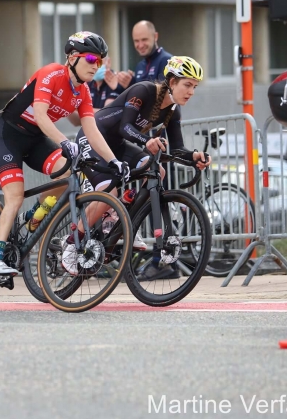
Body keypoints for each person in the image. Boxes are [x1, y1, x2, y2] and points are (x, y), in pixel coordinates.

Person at [0, 31, 129, 277]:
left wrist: (114, 161)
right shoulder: (51, 73)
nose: (97, 66)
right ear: (72, 57)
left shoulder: (82, 92)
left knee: (67, 174)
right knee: (15, 197)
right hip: (9, 137)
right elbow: (40, 115)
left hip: (36, 140)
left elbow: (91, 129)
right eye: (92, 59)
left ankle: (36, 214)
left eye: (101, 61)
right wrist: (64, 141)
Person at [71, 56, 211, 280]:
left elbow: (176, 149)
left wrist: (194, 156)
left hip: (117, 145)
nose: (191, 91)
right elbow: (126, 126)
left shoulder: (173, 110)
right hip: (93, 137)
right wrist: (146, 142)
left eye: (194, 87)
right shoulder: (145, 90)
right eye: (187, 85)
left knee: (157, 171)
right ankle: (72, 242)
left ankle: (125, 224)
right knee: (110, 189)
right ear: (172, 82)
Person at [68, 56, 125, 126]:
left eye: (99, 62)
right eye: (92, 62)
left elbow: (107, 114)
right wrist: (68, 107)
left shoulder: (115, 82)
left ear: (108, 62)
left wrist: (78, 109)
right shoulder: (88, 83)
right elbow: (77, 122)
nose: (95, 66)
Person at [119, 21, 173, 88]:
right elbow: (139, 96)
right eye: (136, 41)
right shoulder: (140, 66)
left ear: (155, 37)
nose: (140, 45)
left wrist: (132, 85)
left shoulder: (168, 61)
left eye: (144, 39)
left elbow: (163, 95)